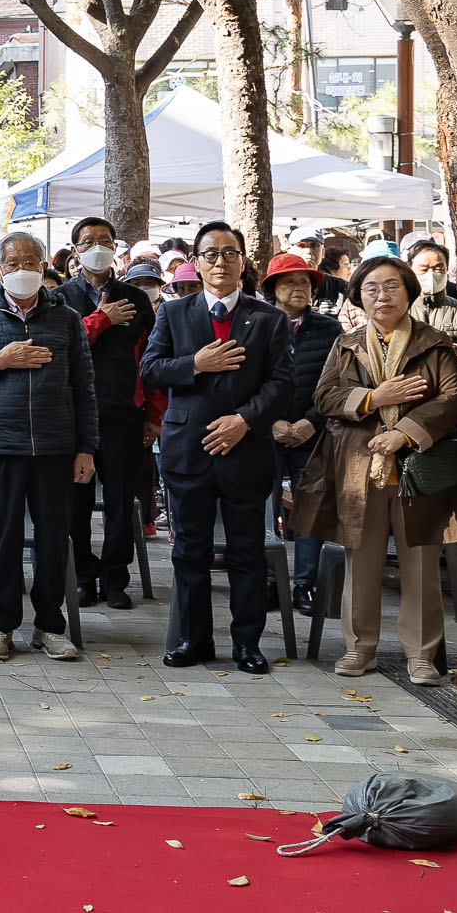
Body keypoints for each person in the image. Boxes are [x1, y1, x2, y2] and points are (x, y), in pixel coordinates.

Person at [292, 254, 457, 681]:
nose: (382, 296)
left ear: (409, 292)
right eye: (371, 288)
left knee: (422, 563)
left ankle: (421, 655)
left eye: (391, 286)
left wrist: (404, 432)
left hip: (418, 465)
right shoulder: (347, 344)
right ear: (358, 297)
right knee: (362, 559)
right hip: (359, 467)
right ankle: (360, 648)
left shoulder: (434, 343)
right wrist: (375, 398)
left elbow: (452, 398)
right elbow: (326, 397)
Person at [138, 221, 297, 675]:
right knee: (190, 550)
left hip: (245, 450)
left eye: (229, 253)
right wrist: (195, 363)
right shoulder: (173, 313)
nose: (220, 262)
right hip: (188, 448)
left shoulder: (268, 319)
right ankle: (194, 639)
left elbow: (283, 386)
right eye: (210, 254)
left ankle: (247, 643)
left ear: (243, 261)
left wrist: (244, 420)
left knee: (247, 551)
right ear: (197, 261)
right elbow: (151, 369)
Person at [0, 232, 96, 662]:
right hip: (1, 445)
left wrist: (86, 448)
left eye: (31, 262)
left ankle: (50, 626)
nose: (22, 270)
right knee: (2, 539)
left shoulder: (66, 319)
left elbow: (84, 387)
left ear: (44, 267)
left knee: (52, 539)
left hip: (55, 446)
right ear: (0, 269)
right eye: (13, 263)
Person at [58, 217, 149, 612]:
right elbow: (61, 345)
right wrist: (102, 319)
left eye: (106, 241)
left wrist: (153, 414)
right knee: (75, 501)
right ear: (75, 250)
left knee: (119, 499)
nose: (99, 247)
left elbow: (150, 359)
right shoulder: (59, 298)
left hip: (122, 414)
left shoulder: (137, 298)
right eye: (89, 241)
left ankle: (115, 576)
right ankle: (81, 575)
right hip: (72, 416)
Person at [259, 251, 342, 617]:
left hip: (312, 434)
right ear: (273, 288)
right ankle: (267, 580)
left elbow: (337, 384)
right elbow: (249, 382)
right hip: (265, 433)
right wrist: (270, 421)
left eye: (305, 282)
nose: (299, 288)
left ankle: (304, 584)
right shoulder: (257, 322)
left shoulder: (329, 329)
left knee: (310, 509)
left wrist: (312, 421)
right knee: (264, 507)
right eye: (290, 281)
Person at [408, 241, 457, 337]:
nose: (431, 274)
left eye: (438, 269)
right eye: (423, 269)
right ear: (410, 269)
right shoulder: (401, 310)